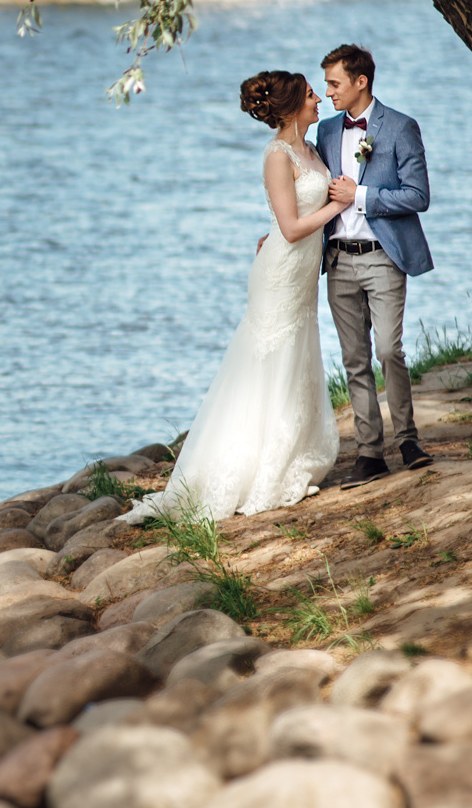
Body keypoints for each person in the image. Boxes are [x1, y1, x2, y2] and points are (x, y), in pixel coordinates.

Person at [129, 70, 341, 522]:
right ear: (290, 107)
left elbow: (297, 218)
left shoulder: (312, 148)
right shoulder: (277, 156)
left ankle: (291, 450)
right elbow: (290, 227)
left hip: (301, 274)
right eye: (310, 94)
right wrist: (338, 205)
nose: (319, 98)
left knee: (297, 353)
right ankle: (251, 465)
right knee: (268, 357)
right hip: (280, 272)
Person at [315, 44, 432, 483]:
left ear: (360, 82)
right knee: (354, 359)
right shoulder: (326, 132)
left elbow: (418, 195)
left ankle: (408, 439)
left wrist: (360, 197)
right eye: (326, 84)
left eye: (334, 83)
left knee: (388, 349)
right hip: (339, 262)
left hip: (384, 258)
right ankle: (370, 453)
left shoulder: (400, 127)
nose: (328, 92)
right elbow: (307, 188)